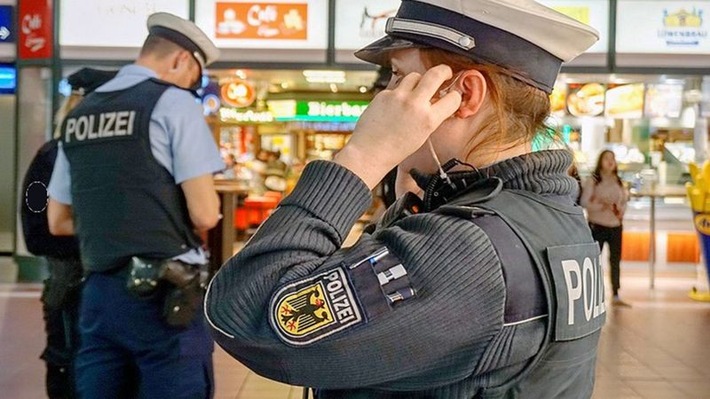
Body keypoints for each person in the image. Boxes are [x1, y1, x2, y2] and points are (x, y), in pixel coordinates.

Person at [206, 1, 604, 398]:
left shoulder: (466, 248)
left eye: (398, 77)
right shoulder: (554, 214)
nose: (383, 97)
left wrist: (363, 158)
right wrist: (415, 210)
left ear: (464, 94)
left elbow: (248, 313)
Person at [47, 12, 223, 398]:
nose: (191, 88)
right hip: (165, 297)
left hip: (98, 293)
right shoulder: (173, 103)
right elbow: (205, 213)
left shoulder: (79, 115)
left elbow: (58, 220)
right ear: (181, 60)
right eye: (194, 78)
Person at [21, 67, 116, 399]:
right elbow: (35, 229)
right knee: (70, 367)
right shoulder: (50, 156)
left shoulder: (112, 158)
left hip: (105, 286)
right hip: (70, 285)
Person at [581, 150, 630, 307]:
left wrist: (619, 209)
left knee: (615, 260)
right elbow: (584, 202)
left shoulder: (619, 181)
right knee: (594, 260)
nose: (610, 161)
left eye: (613, 159)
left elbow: (623, 201)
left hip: (615, 226)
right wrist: (600, 206)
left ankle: (615, 293)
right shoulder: (593, 181)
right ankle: (592, 295)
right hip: (597, 225)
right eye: (606, 158)